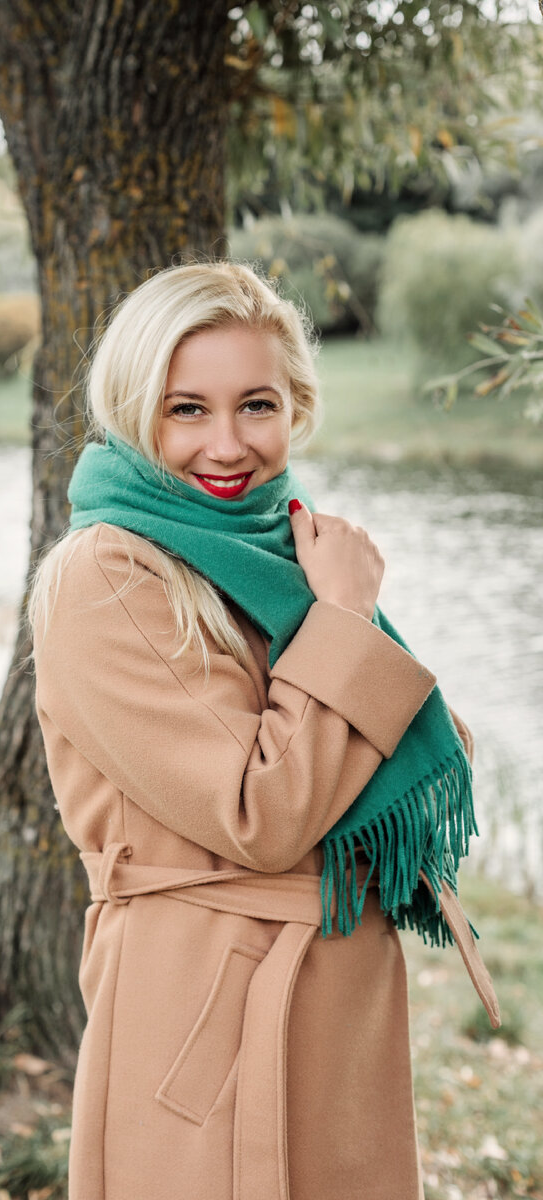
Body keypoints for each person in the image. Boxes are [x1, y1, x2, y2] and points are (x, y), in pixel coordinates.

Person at [30, 262, 499, 1200]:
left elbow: (431, 742)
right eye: (186, 410)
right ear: (135, 413)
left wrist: (341, 619)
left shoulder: (281, 555)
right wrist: (346, 621)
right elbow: (262, 812)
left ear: (297, 409)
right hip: (204, 995)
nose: (228, 444)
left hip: (337, 988)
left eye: (257, 404)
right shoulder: (109, 573)